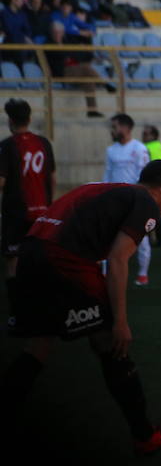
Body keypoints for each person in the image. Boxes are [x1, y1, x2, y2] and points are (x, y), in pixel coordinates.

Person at [0, 160, 161, 456]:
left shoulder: (106, 188)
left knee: (37, 347)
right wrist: (121, 321)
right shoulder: (146, 203)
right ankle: (145, 435)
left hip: (31, 251)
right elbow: (117, 259)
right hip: (63, 258)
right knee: (110, 341)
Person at [0, 99, 56, 326]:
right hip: (42, 212)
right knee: (39, 261)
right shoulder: (44, 142)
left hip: (16, 213)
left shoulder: (7, 145)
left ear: (10, 120)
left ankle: (17, 314)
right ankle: (45, 311)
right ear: (30, 118)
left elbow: (1, 182)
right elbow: (51, 178)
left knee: (13, 263)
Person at [103, 114, 151, 286]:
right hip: (115, 201)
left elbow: (145, 175)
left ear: (125, 128)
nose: (113, 130)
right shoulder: (111, 150)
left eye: (115, 126)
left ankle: (143, 274)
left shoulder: (139, 148)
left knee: (141, 238)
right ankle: (105, 274)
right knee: (108, 238)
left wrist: (141, 197)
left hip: (135, 200)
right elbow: (107, 175)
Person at [141, 126, 161, 246]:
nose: (143, 136)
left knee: (151, 212)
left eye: (146, 134)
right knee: (158, 211)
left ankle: (150, 238)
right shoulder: (159, 146)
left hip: (153, 183)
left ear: (153, 135)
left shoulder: (147, 147)